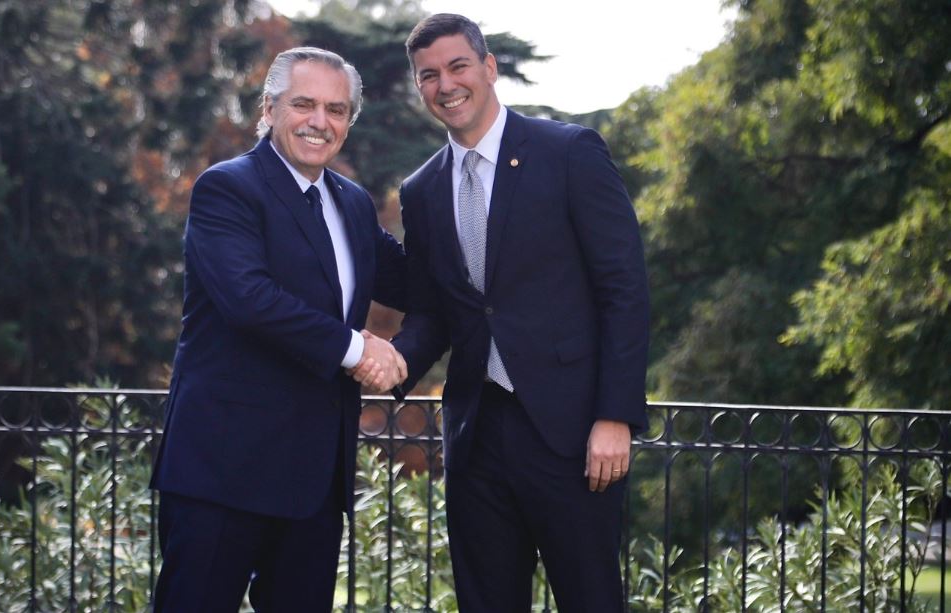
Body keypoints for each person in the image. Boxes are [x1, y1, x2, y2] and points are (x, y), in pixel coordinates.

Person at [363, 13, 651, 612]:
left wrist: (614, 416)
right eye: (429, 76)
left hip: (573, 435)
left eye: (458, 66)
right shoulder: (421, 189)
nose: (446, 85)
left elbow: (623, 289)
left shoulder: (569, 152)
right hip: (475, 440)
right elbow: (435, 313)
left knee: (592, 600)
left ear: (489, 68)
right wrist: (384, 370)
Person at [149, 47, 407, 611]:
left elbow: (415, 285)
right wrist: (358, 347)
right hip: (222, 474)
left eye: (336, 110)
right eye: (305, 104)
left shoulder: (354, 205)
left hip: (314, 482)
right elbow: (250, 300)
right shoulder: (228, 188)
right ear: (268, 108)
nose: (321, 122)